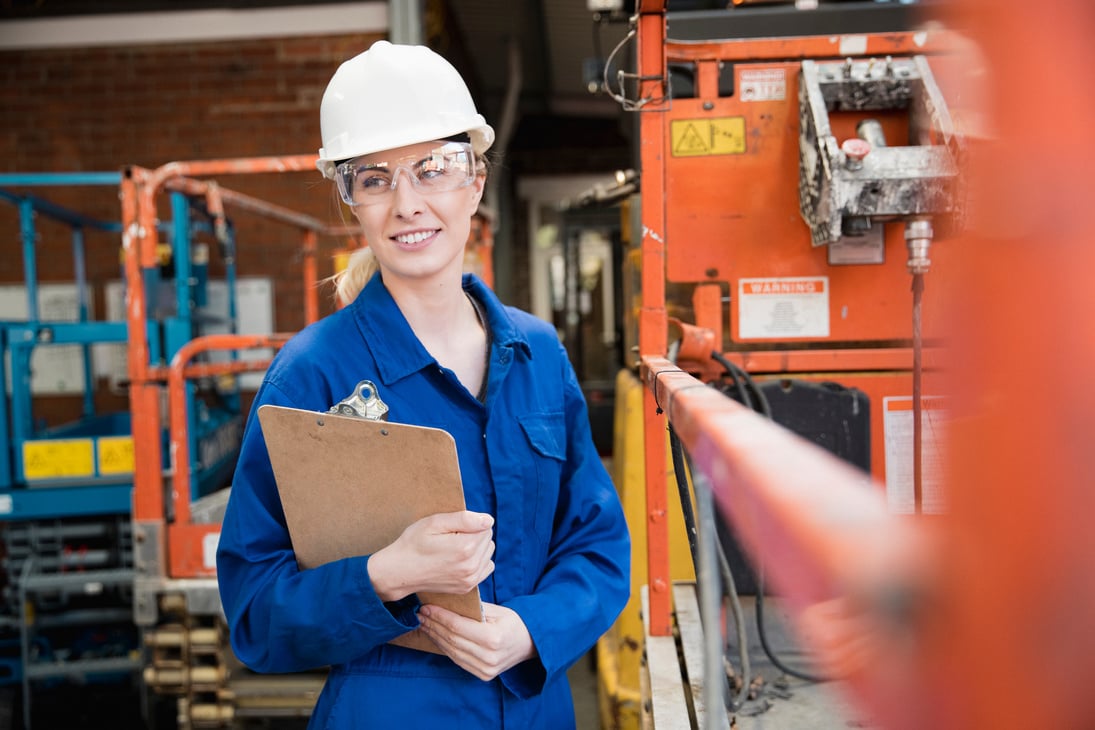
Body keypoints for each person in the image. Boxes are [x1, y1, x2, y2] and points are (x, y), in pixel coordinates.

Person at [216, 40, 631, 729]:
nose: (407, 204)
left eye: (432, 169)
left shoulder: (537, 353)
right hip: (391, 706)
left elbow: (596, 545)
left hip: (534, 703)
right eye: (374, 179)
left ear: (474, 181)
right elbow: (257, 612)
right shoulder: (313, 373)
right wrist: (385, 575)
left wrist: (528, 632)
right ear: (351, 202)